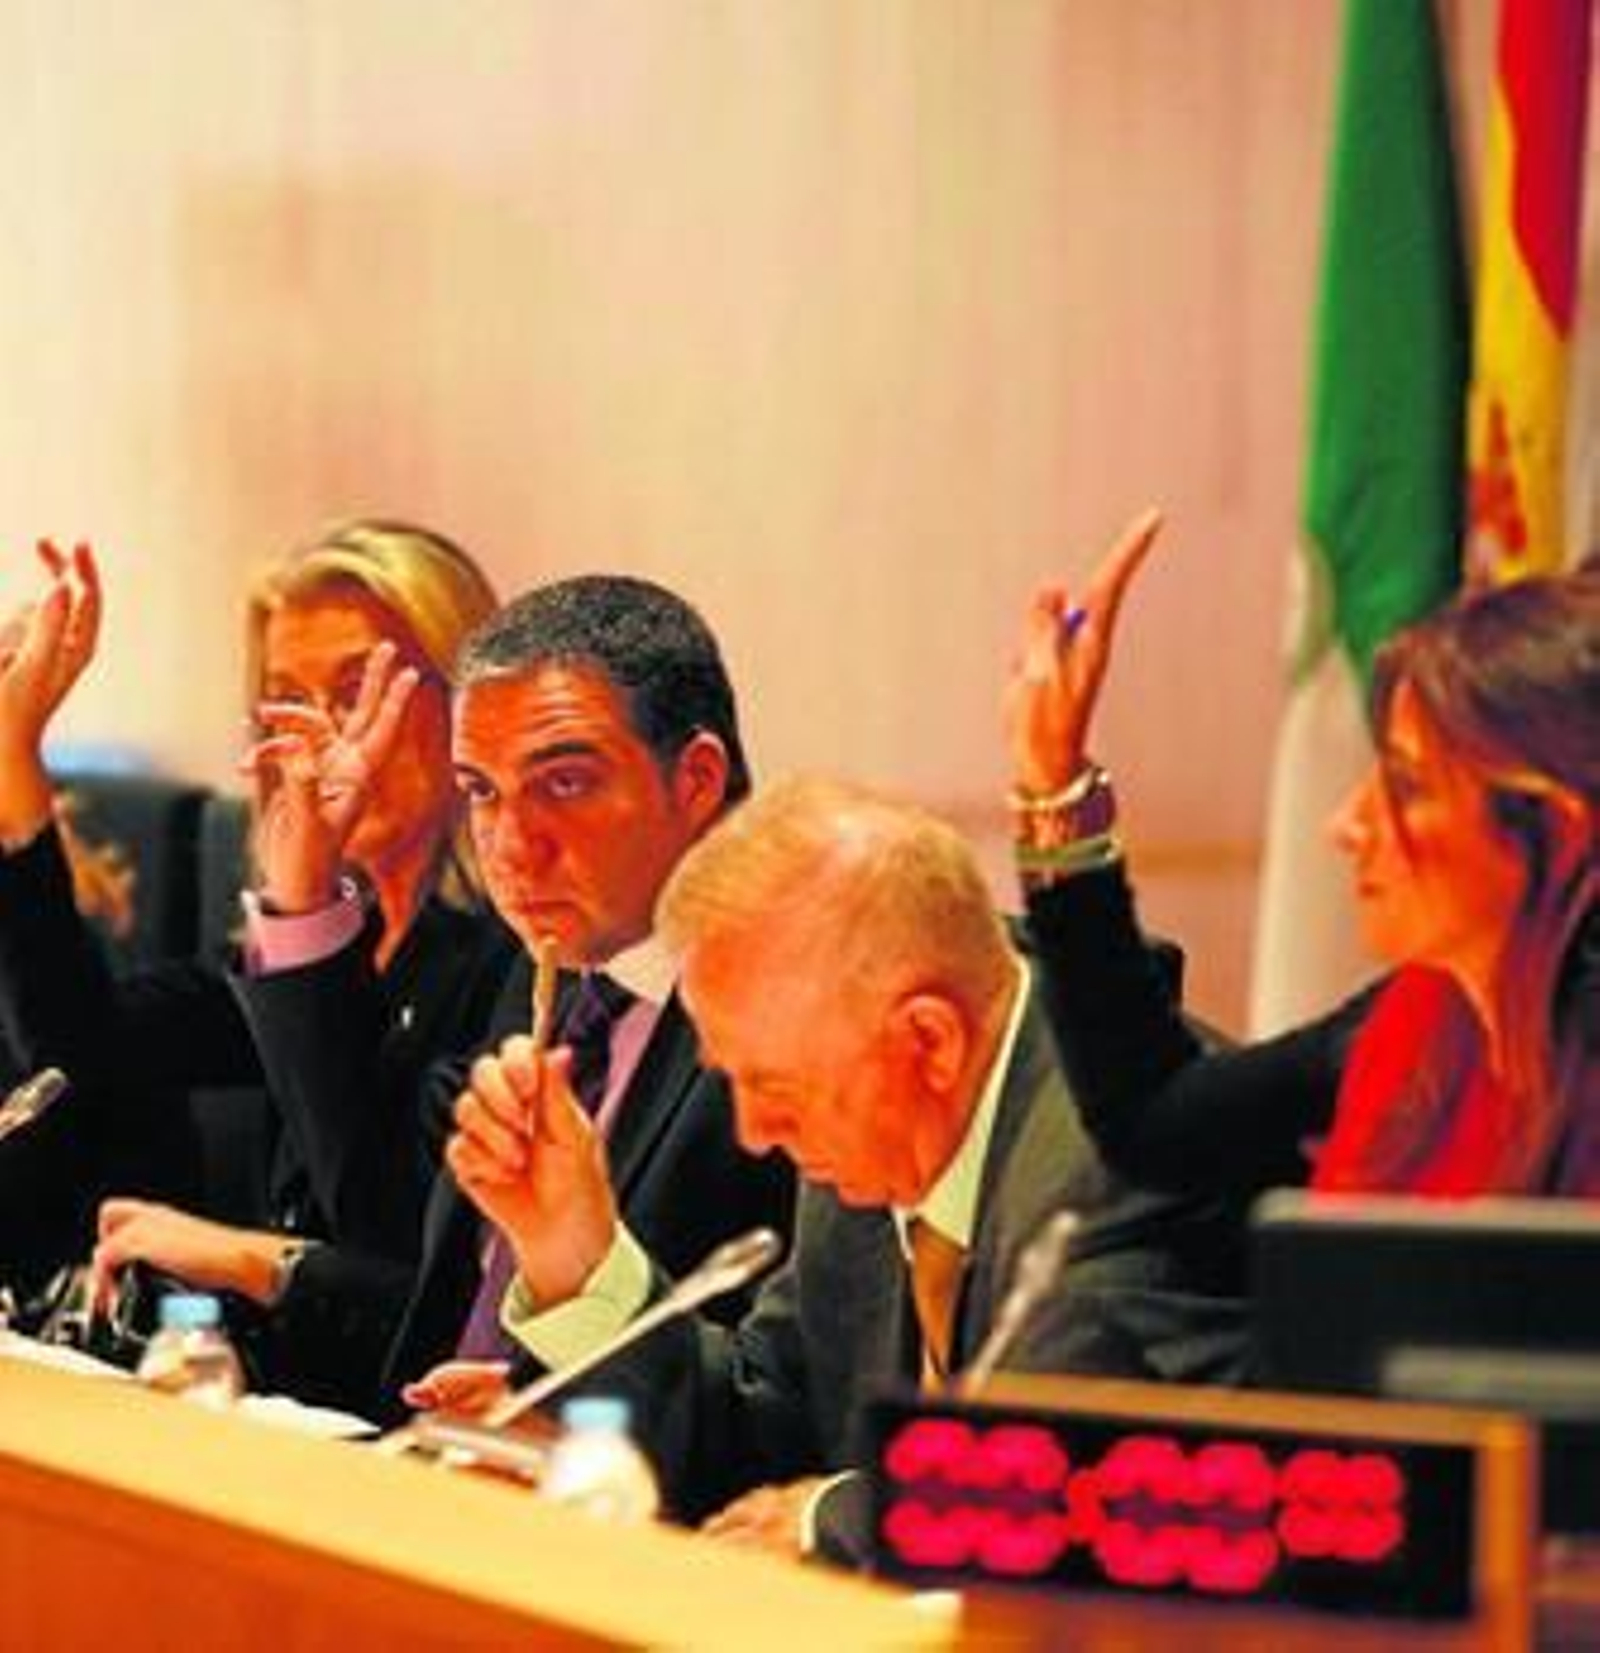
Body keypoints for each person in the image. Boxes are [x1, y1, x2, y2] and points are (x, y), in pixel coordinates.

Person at [446, 775, 1249, 1564]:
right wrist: (575, 1250)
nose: (757, 1133)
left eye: (775, 1087)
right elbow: (765, 1432)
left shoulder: (1135, 1158)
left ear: (929, 1040)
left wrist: (830, 1518)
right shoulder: (875, 1116)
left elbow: (1077, 1485)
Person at [238, 574, 795, 1418]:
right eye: (483, 792)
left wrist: (564, 1412)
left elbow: (789, 1411)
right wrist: (305, 883)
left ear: (696, 780)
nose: (510, 847)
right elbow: (385, 1218)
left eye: (563, 783)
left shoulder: (795, 1023)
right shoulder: (548, 965)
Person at [0, 525, 518, 1384]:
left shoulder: (515, 976)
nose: (318, 739)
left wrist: (245, 1256)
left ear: (467, 703)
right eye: (287, 700)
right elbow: (77, 1052)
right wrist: (16, 761)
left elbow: (410, 1271)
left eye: (359, 690)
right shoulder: (282, 948)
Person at [1007, 511, 1600, 1202]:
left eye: (1408, 787)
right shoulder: (1424, 1017)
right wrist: (1055, 785)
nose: (1347, 823)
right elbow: (1156, 1119)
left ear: (1559, 833)